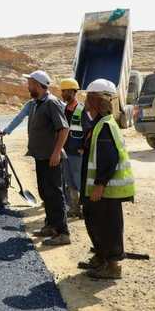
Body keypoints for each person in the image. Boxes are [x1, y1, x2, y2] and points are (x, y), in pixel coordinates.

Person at [77, 79, 135, 279]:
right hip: (96, 188)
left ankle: (113, 266)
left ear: (94, 99)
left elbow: (109, 157)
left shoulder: (104, 125)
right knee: (95, 224)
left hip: (106, 190)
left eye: (87, 97)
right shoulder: (98, 123)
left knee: (107, 226)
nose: (84, 100)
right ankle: (101, 258)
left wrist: (100, 184)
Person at [22, 70, 71, 246]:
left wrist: (57, 152)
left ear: (37, 85)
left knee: (55, 194)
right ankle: (51, 226)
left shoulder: (50, 103)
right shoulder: (38, 103)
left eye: (29, 84)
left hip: (52, 158)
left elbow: (63, 129)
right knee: (45, 193)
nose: (27, 87)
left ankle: (63, 233)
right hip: (41, 157)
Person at [59, 78, 92, 217]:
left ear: (72, 92)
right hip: (65, 153)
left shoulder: (81, 109)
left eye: (64, 91)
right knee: (69, 182)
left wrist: (85, 148)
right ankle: (74, 208)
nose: (62, 94)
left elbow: (90, 130)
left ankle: (86, 210)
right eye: (62, 91)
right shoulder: (64, 109)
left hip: (77, 155)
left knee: (79, 183)